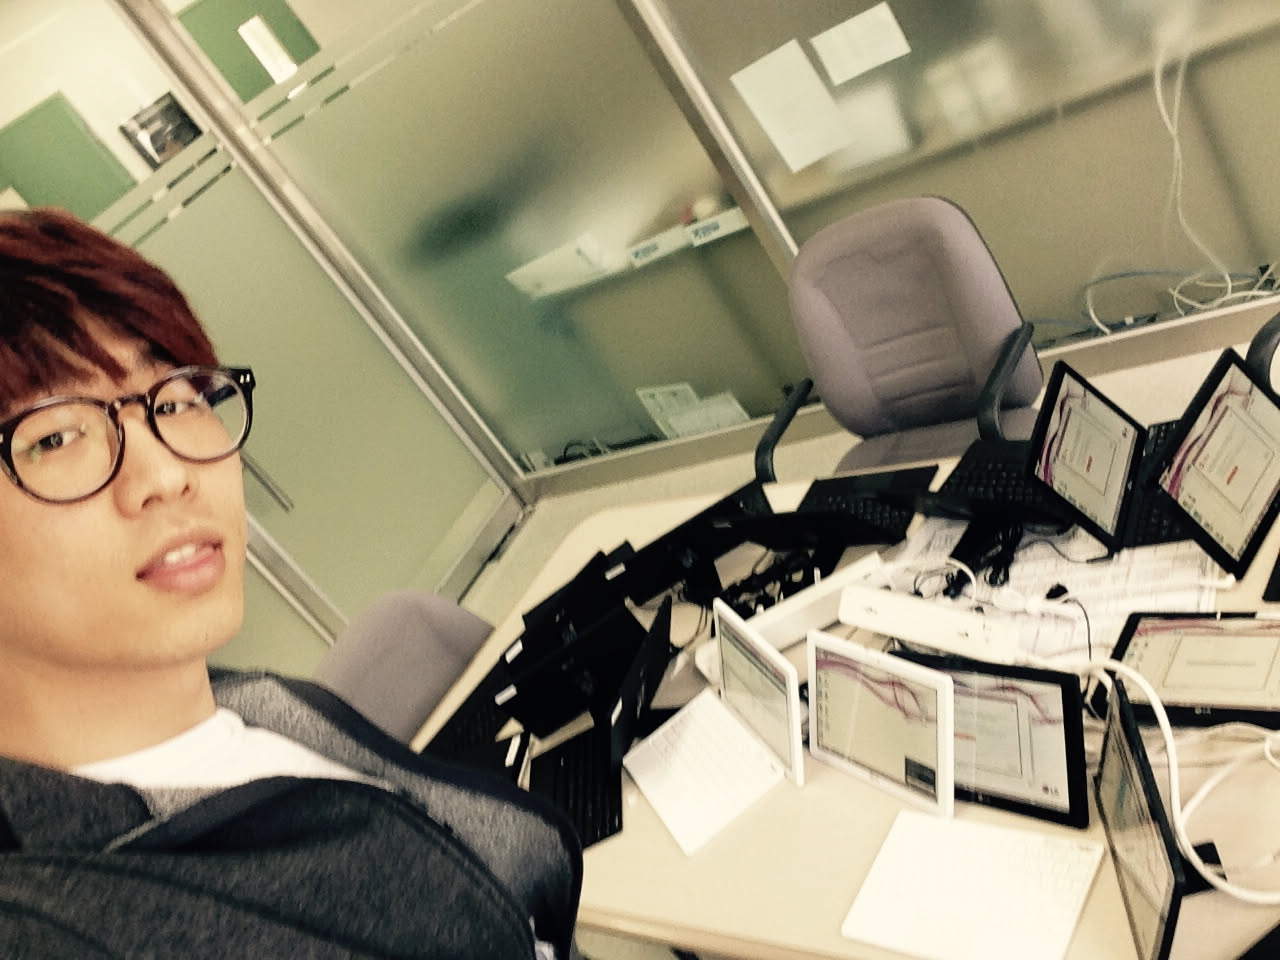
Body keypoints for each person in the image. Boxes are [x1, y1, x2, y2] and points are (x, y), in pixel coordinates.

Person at [0, 207, 582, 958]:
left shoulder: (253, 705)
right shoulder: (61, 923)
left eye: (173, 400)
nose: (167, 474)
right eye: (53, 436)